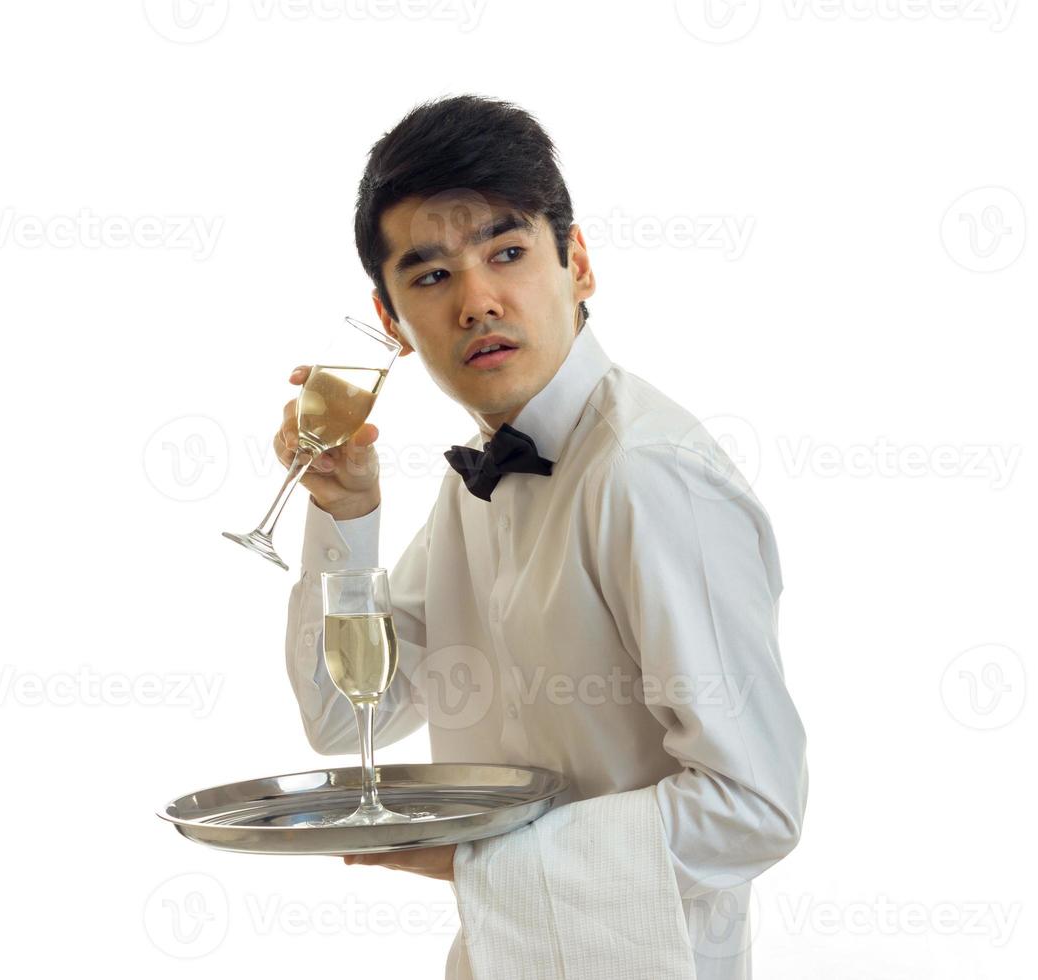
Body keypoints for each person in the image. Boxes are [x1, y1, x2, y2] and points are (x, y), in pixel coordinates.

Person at [278, 94, 807, 979]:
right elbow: (340, 720)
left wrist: (481, 860)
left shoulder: (649, 474)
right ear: (390, 322)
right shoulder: (473, 487)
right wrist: (347, 515)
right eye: (433, 275)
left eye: (509, 253)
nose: (479, 300)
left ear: (580, 264)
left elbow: (754, 806)